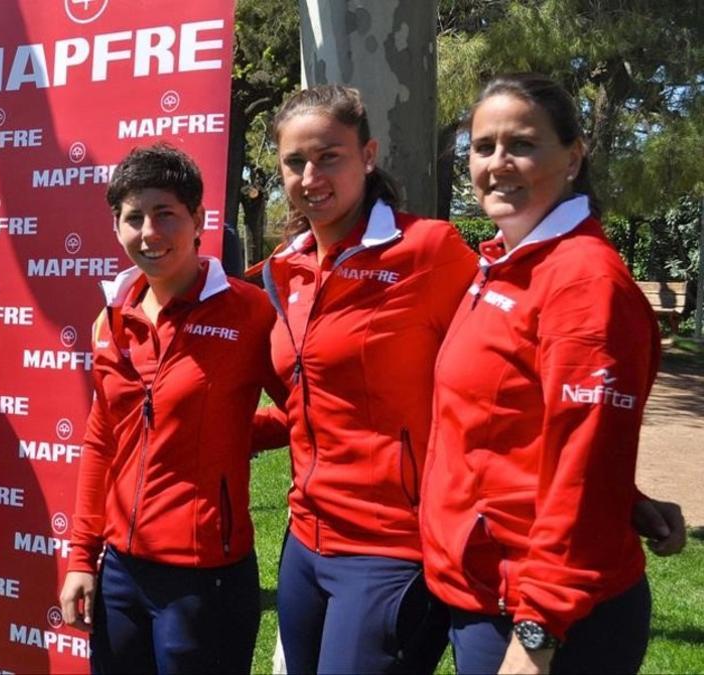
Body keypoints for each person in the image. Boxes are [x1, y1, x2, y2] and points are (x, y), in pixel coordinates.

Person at [420, 73, 664, 675]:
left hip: (540, 616)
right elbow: (522, 427)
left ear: (574, 156)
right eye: (483, 147)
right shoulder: (507, 264)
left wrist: (537, 632)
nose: (498, 163)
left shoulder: (583, 283)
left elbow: (585, 459)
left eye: (522, 145)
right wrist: (626, 502)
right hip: (486, 587)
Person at [250, 84, 478, 674]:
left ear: (368, 155)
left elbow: (508, 366)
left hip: (392, 546)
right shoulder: (286, 269)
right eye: (294, 162)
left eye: (330, 156)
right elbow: (311, 398)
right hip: (304, 540)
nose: (310, 175)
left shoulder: (430, 251)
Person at [58, 144, 287, 673]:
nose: (149, 232)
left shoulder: (249, 312)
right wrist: (80, 558)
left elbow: (308, 411)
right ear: (116, 227)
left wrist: (234, 432)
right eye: (133, 218)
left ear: (198, 219)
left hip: (205, 578)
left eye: (165, 214)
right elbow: (101, 441)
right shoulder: (112, 317)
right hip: (119, 573)